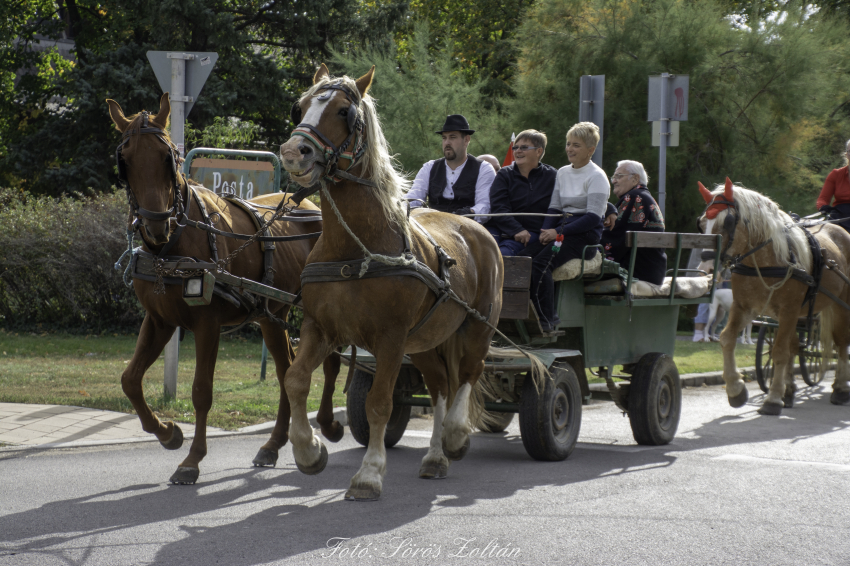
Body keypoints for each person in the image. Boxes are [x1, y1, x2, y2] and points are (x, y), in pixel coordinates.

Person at [523, 122, 609, 331]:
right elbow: (554, 208)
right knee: (523, 259)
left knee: (541, 264)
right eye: (568, 144)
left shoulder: (597, 177)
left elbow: (593, 218)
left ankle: (547, 320)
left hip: (582, 236)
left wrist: (558, 232)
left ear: (591, 150)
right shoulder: (562, 172)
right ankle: (523, 314)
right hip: (561, 233)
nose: (570, 149)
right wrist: (546, 231)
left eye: (576, 145)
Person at [406, 115, 496, 223]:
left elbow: (485, 206)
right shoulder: (429, 168)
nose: (447, 142)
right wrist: (400, 206)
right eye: (444, 138)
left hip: (468, 229)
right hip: (433, 227)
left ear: (466, 140)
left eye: (452, 137)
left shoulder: (484, 169)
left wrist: (461, 216)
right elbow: (413, 198)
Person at [486, 130, 557, 256]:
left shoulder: (553, 176)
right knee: (481, 252)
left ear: (538, 151)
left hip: (531, 234)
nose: (518, 151)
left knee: (501, 256)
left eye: (524, 147)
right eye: (516, 147)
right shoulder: (504, 174)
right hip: (499, 229)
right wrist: (516, 229)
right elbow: (498, 206)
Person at [601, 160, 666, 285]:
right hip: (652, 273)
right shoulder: (643, 197)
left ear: (635, 179)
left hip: (635, 273)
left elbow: (615, 236)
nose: (614, 181)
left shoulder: (634, 198)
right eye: (613, 177)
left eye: (619, 176)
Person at [816, 139, 850, 233]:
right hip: (839, 217)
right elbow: (822, 198)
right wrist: (823, 206)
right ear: (846, 154)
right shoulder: (835, 174)